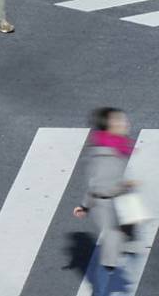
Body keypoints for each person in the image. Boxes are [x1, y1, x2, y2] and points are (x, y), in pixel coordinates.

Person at [73, 107, 138, 296]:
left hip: (116, 204)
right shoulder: (105, 154)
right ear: (107, 127)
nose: (125, 124)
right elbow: (98, 187)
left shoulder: (115, 147)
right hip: (108, 208)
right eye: (118, 122)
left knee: (118, 247)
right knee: (109, 258)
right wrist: (123, 186)